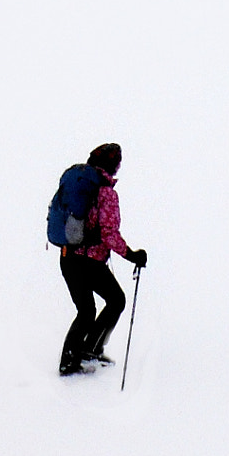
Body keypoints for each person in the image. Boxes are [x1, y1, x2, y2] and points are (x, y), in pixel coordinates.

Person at [59, 142, 148, 377]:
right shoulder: (106, 193)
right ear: (113, 166)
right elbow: (109, 234)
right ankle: (87, 352)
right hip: (89, 260)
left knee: (86, 310)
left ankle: (76, 357)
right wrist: (132, 255)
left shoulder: (78, 185)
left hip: (68, 257)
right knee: (116, 300)